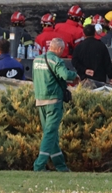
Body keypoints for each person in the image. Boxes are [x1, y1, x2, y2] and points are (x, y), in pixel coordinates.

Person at [33, 38, 78, 172]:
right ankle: (39, 166)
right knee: (50, 133)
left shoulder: (36, 60)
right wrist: (74, 75)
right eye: (62, 50)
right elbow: (65, 75)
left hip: (40, 99)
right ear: (58, 49)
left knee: (51, 134)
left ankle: (61, 166)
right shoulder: (56, 61)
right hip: (53, 101)